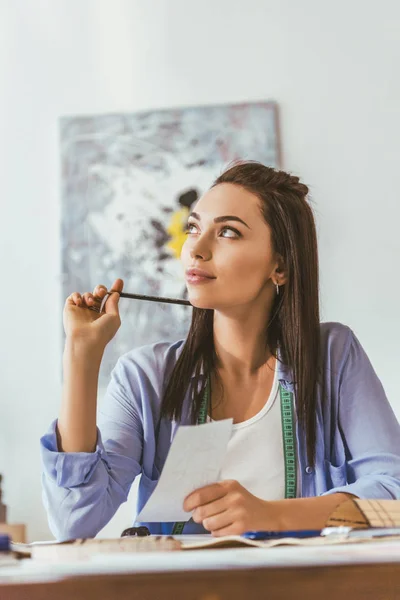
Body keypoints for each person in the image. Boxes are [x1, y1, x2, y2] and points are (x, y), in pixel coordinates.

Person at [41, 161, 400, 540]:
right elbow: (73, 521)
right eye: (193, 227)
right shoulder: (145, 377)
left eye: (227, 232)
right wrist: (81, 358)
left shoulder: (333, 356)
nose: (196, 248)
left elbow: (393, 493)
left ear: (280, 266)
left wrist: (272, 515)